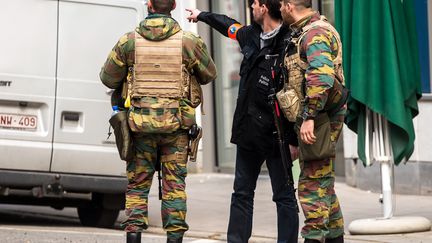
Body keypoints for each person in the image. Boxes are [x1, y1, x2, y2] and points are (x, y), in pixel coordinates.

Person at [100, 0, 217, 242]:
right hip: (177, 129)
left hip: (140, 128)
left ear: (149, 5)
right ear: (173, 6)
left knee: (137, 187)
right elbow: (209, 74)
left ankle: (133, 238)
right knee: (174, 190)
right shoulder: (188, 42)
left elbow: (108, 78)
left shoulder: (129, 41)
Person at [187, 1, 299, 242]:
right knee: (241, 193)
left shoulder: (289, 41)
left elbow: (297, 92)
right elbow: (228, 26)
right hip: (249, 131)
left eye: (255, 3)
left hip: (278, 134)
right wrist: (201, 15)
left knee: (284, 195)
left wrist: (293, 140)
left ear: (265, 8)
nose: (251, 7)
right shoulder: (250, 35)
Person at [279, 0, 348, 242]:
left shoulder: (315, 33)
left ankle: (314, 237)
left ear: (289, 5)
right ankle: (335, 237)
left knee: (312, 184)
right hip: (318, 115)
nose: (279, 10)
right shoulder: (305, 31)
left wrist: (309, 117)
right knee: (324, 183)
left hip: (319, 117)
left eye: (280, 5)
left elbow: (321, 78)